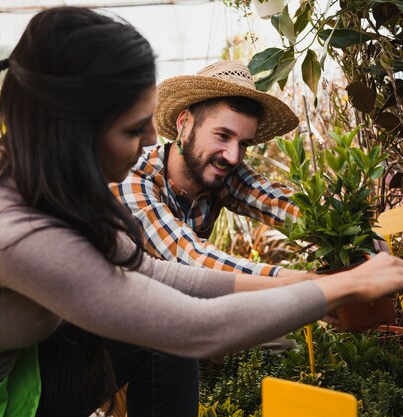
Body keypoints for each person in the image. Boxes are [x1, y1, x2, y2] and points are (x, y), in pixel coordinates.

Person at [0, 7, 403, 417]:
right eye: (135, 130)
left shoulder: (39, 172)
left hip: (9, 371)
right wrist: (339, 289)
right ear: (74, 130)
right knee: (166, 340)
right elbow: (192, 328)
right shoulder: (8, 227)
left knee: (159, 338)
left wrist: (339, 260)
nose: (152, 140)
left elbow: (154, 273)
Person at [112, 60, 309, 277]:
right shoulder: (133, 177)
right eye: (223, 136)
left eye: (243, 143)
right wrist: (296, 279)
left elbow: (280, 205)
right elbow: (191, 257)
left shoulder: (223, 172)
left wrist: (342, 228)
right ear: (184, 125)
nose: (233, 157)